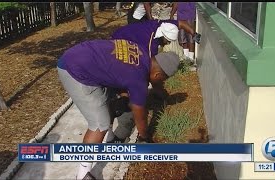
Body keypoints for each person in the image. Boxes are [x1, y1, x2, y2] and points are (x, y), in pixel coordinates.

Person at [57, 39, 180, 180]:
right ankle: (83, 174)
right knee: (99, 124)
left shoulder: (141, 52)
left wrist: (123, 96)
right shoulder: (138, 79)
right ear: (158, 75)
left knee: (106, 101)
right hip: (74, 70)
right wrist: (144, 136)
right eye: (162, 80)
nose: (161, 83)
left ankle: (110, 139)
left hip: (80, 56)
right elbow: (139, 113)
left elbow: (120, 70)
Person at [111, 19, 201, 59]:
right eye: (168, 41)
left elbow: (182, 23)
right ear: (162, 36)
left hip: (123, 31)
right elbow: (149, 64)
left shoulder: (162, 24)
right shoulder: (151, 45)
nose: (168, 43)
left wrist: (194, 34)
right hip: (119, 39)